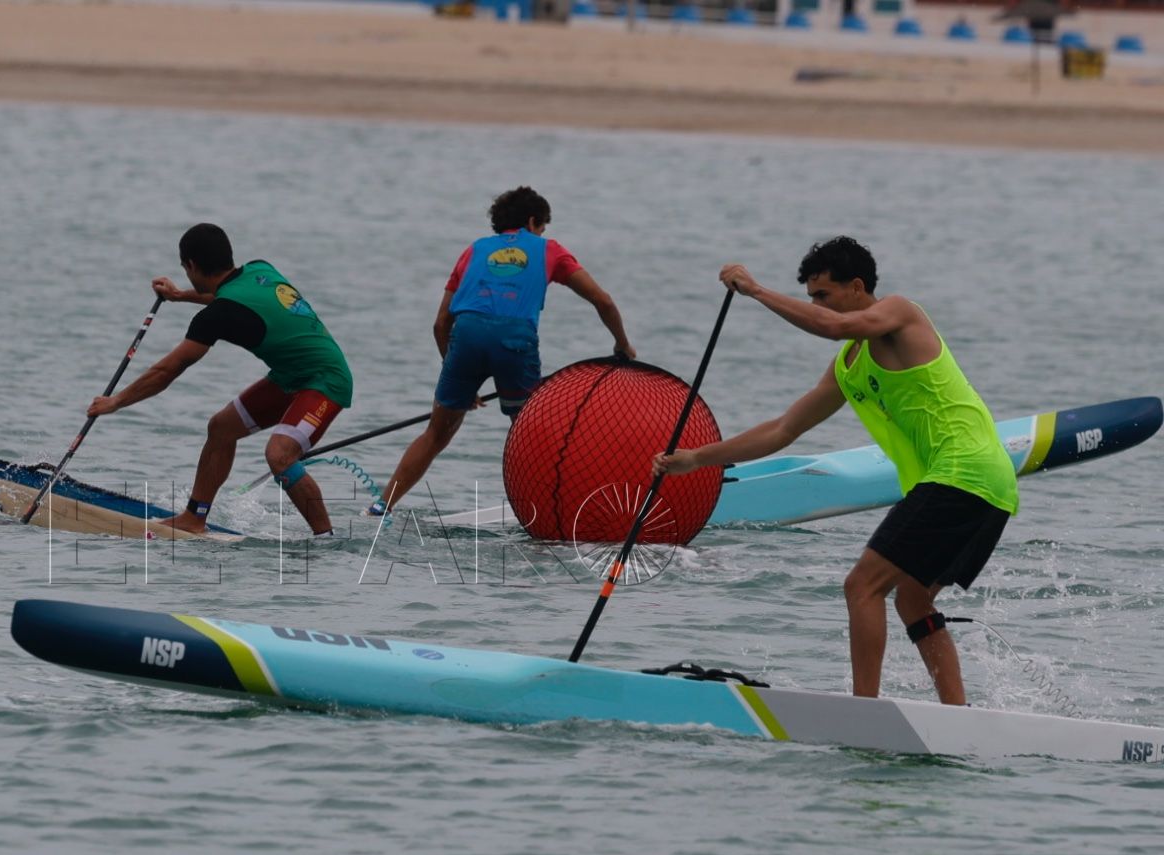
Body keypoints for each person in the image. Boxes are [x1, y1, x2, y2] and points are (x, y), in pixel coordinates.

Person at [653, 237, 1018, 705]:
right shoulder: (848, 366)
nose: (816, 306)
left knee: (861, 585)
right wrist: (698, 458)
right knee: (912, 600)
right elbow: (784, 429)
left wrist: (758, 291)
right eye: (811, 297)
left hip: (963, 474)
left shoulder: (901, 314)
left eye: (822, 295)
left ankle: (863, 709)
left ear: (857, 287)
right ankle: (957, 713)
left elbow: (835, 326)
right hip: (979, 484)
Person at [370, 186, 637, 515]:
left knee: (436, 434)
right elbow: (603, 301)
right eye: (542, 227)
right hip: (514, 340)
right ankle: (552, 515)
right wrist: (622, 344)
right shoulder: (548, 250)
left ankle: (381, 507)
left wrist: (459, 375)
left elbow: (441, 324)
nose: (542, 234)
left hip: (465, 338)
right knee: (530, 436)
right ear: (532, 221)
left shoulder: (474, 250)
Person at [87, 223, 352, 536]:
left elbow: (167, 369)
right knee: (221, 428)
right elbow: (232, 299)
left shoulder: (219, 315)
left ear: (192, 265)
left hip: (326, 382)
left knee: (279, 455)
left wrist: (116, 402)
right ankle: (194, 518)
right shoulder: (259, 269)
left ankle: (325, 539)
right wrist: (180, 296)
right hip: (290, 376)